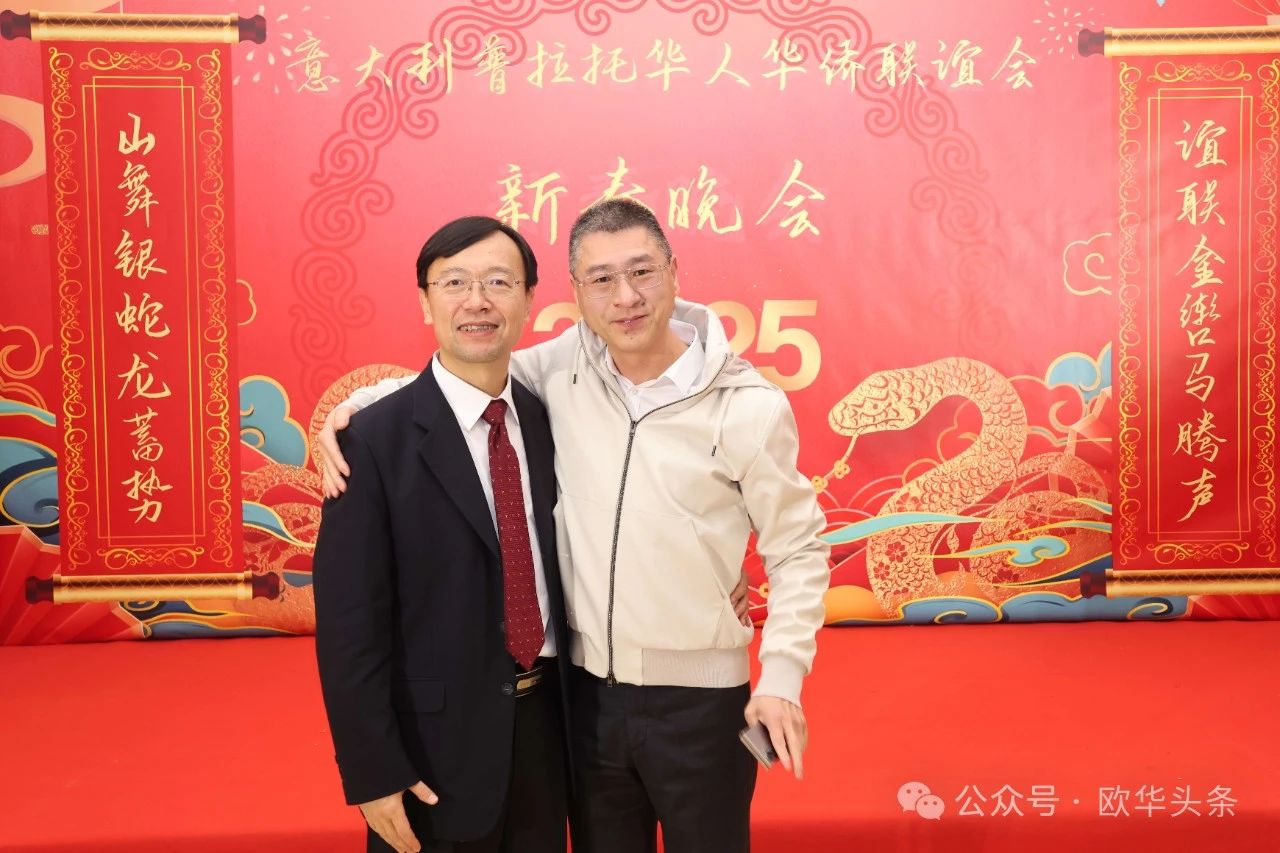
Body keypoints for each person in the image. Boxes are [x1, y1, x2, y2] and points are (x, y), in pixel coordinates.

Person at [321, 199, 830, 853]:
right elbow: (464, 372)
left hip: (701, 703)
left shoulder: (748, 405)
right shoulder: (562, 372)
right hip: (585, 704)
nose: (625, 297)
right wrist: (353, 410)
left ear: (674, 271)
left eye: (642, 272)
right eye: (601, 279)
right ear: (575, 292)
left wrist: (782, 677)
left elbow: (798, 546)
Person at [313, 216, 571, 853]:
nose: (476, 301)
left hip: (551, 736)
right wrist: (372, 770)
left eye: (498, 282)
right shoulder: (371, 442)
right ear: (425, 302)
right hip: (431, 753)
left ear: (529, 299)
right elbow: (349, 627)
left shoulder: (552, 421)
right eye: (454, 282)